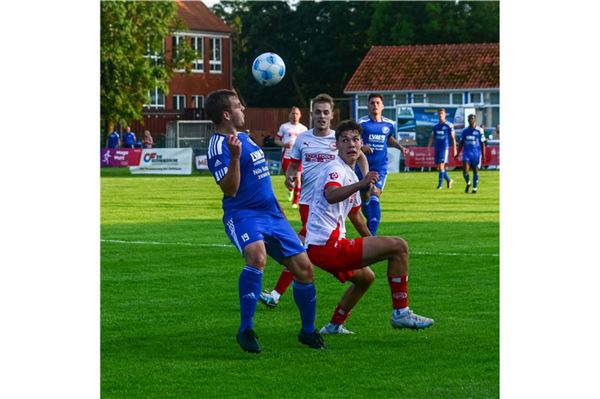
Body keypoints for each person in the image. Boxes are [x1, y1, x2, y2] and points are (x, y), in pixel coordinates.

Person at [204, 89, 325, 353]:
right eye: (238, 106)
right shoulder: (218, 146)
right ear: (226, 114)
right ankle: (245, 329)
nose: (243, 109)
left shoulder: (245, 139)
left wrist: (279, 212)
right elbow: (230, 189)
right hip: (243, 215)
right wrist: (234, 158)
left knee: (304, 269)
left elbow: (261, 181)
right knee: (257, 257)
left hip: (271, 214)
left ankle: (307, 332)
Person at [306, 119, 434, 334]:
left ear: (361, 143)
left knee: (366, 277)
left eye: (355, 139)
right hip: (327, 247)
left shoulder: (349, 172)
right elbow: (331, 194)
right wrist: (361, 184)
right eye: (344, 140)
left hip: (324, 246)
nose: (351, 144)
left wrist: (373, 241)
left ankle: (334, 326)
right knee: (399, 246)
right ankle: (401, 313)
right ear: (336, 145)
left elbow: (357, 217)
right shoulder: (334, 169)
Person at [258, 94, 368, 309]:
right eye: (317, 112)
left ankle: (277, 293)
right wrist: (290, 176)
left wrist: (365, 178)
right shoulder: (303, 139)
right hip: (309, 202)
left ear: (331, 114)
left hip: (335, 200)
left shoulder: (340, 139)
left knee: (301, 247)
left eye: (326, 112)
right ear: (311, 114)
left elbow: (361, 155)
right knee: (304, 247)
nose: (322, 116)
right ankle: (358, 266)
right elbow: (293, 164)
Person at [357, 93, 409, 236]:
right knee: (365, 199)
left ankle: (371, 237)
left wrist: (400, 147)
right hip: (362, 167)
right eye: (372, 103)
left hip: (380, 168)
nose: (375, 105)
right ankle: (370, 223)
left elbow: (389, 139)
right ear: (368, 106)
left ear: (382, 106)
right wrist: (362, 146)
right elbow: (355, 140)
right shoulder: (361, 123)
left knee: (375, 195)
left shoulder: (389, 124)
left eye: (378, 103)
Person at [274, 106, 307, 208]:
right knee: (288, 178)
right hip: (287, 156)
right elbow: (276, 140)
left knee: (298, 177)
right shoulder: (284, 127)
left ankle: (295, 202)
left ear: (300, 116)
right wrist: (284, 145)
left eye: (297, 114)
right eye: (293, 113)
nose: (295, 116)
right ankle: (291, 189)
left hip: (298, 157)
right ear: (289, 115)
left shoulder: (303, 129)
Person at [456, 114, 486, 193]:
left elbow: (482, 143)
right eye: (469, 119)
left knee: (475, 171)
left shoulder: (479, 130)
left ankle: (474, 188)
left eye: (472, 118)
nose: (471, 120)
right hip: (467, 153)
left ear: (475, 120)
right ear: (468, 120)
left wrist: (483, 155)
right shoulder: (464, 131)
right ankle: (468, 183)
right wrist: (457, 153)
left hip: (476, 154)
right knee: (465, 170)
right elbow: (461, 143)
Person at [427, 108, 456, 189]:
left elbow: (453, 138)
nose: (440, 115)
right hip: (437, 147)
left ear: (445, 114)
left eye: (442, 114)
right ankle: (449, 180)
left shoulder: (449, 125)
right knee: (438, 167)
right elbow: (432, 137)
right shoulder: (435, 126)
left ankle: (440, 185)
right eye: (439, 114)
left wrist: (455, 149)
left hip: (444, 148)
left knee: (441, 165)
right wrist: (429, 147)